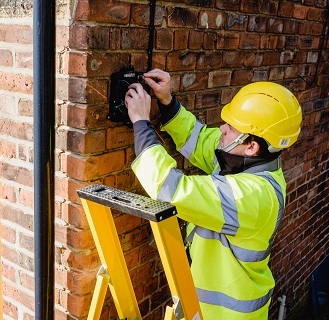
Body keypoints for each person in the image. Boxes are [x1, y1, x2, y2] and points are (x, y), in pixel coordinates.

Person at [124, 69, 302, 320]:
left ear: (251, 146)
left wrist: (141, 122)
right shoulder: (243, 162)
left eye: (231, 127)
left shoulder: (253, 196)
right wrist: (167, 101)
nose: (222, 129)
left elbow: (169, 190)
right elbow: (199, 140)